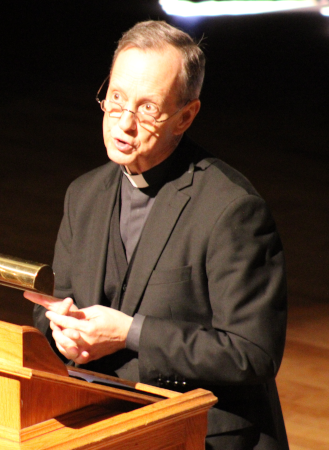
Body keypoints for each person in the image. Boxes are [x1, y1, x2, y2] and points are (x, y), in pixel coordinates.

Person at [25, 21, 288, 449]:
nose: (124, 123)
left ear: (186, 116)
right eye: (116, 99)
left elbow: (252, 353)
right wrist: (63, 334)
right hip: (100, 419)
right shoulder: (84, 195)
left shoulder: (233, 210)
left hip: (200, 433)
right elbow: (60, 302)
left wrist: (130, 332)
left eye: (147, 109)